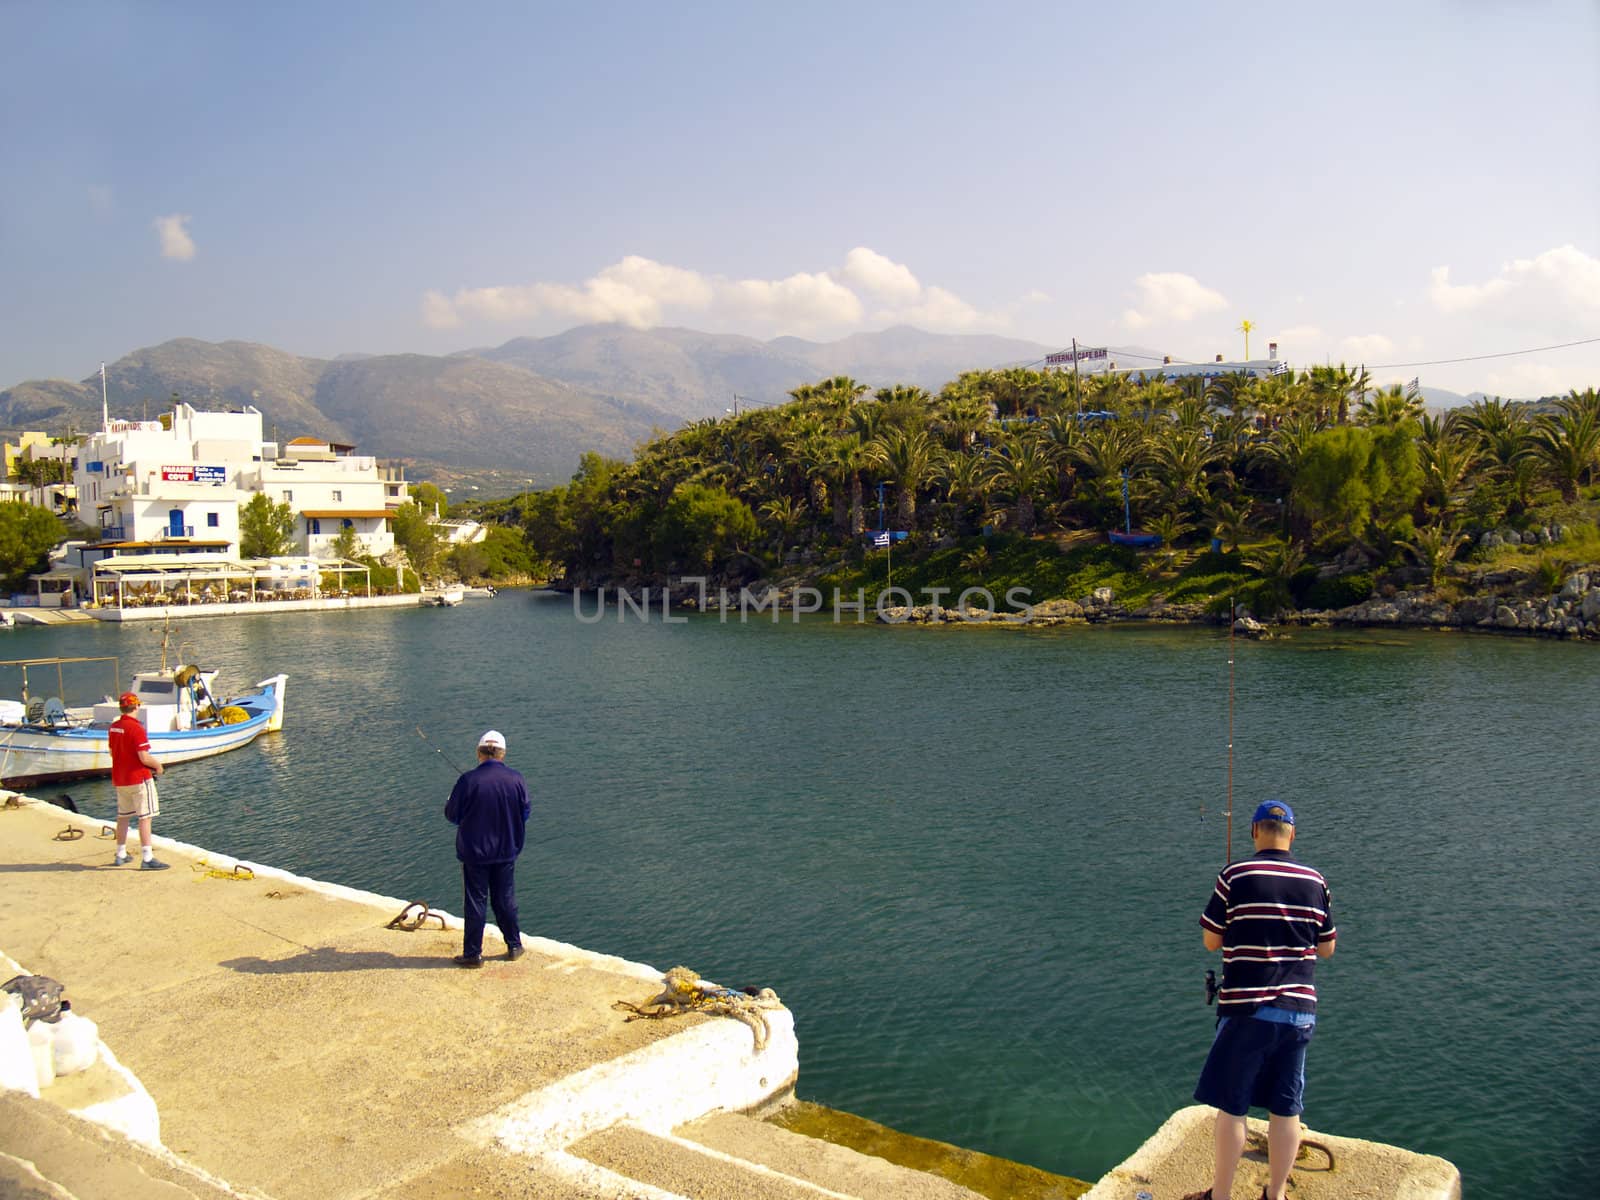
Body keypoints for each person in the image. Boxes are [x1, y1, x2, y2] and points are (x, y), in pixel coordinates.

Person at [1185, 801, 1336, 1200]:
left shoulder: (1235, 875)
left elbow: (1211, 939)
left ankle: (1220, 1196)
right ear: (1292, 835)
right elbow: (1327, 948)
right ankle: (1277, 1195)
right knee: (1286, 1108)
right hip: (1298, 1013)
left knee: (1233, 1108)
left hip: (1246, 1010)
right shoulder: (1315, 879)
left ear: (1254, 832)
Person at [443, 730, 530, 968]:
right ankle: (514, 945)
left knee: (475, 901)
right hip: (506, 851)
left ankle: (473, 954)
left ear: (479, 753)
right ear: (502, 753)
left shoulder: (468, 780)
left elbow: (452, 815)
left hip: (475, 852)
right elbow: (525, 813)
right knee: (505, 899)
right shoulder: (517, 779)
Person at [108, 692, 168, 870]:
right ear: (136, 706)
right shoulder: (137, 728)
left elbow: (112, 752)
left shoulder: (114, 727)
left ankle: (120, 854)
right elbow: (143, 757)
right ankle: (147, 858)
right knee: (145, 817)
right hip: (139, 779)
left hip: (120, 779)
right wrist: (158, 766)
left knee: (123, 817)